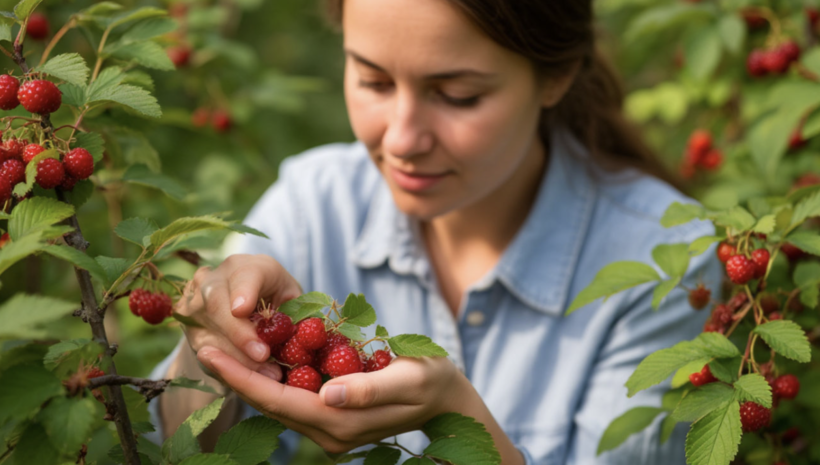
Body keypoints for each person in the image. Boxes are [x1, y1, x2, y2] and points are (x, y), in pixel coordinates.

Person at [150, 0, 722, 463]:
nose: (402, 139)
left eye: (457, 96)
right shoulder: (314, 205)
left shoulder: (663, 259)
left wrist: (455, 415)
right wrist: (210, 347)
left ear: (556, 77)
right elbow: (169, 451)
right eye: (373, 81)